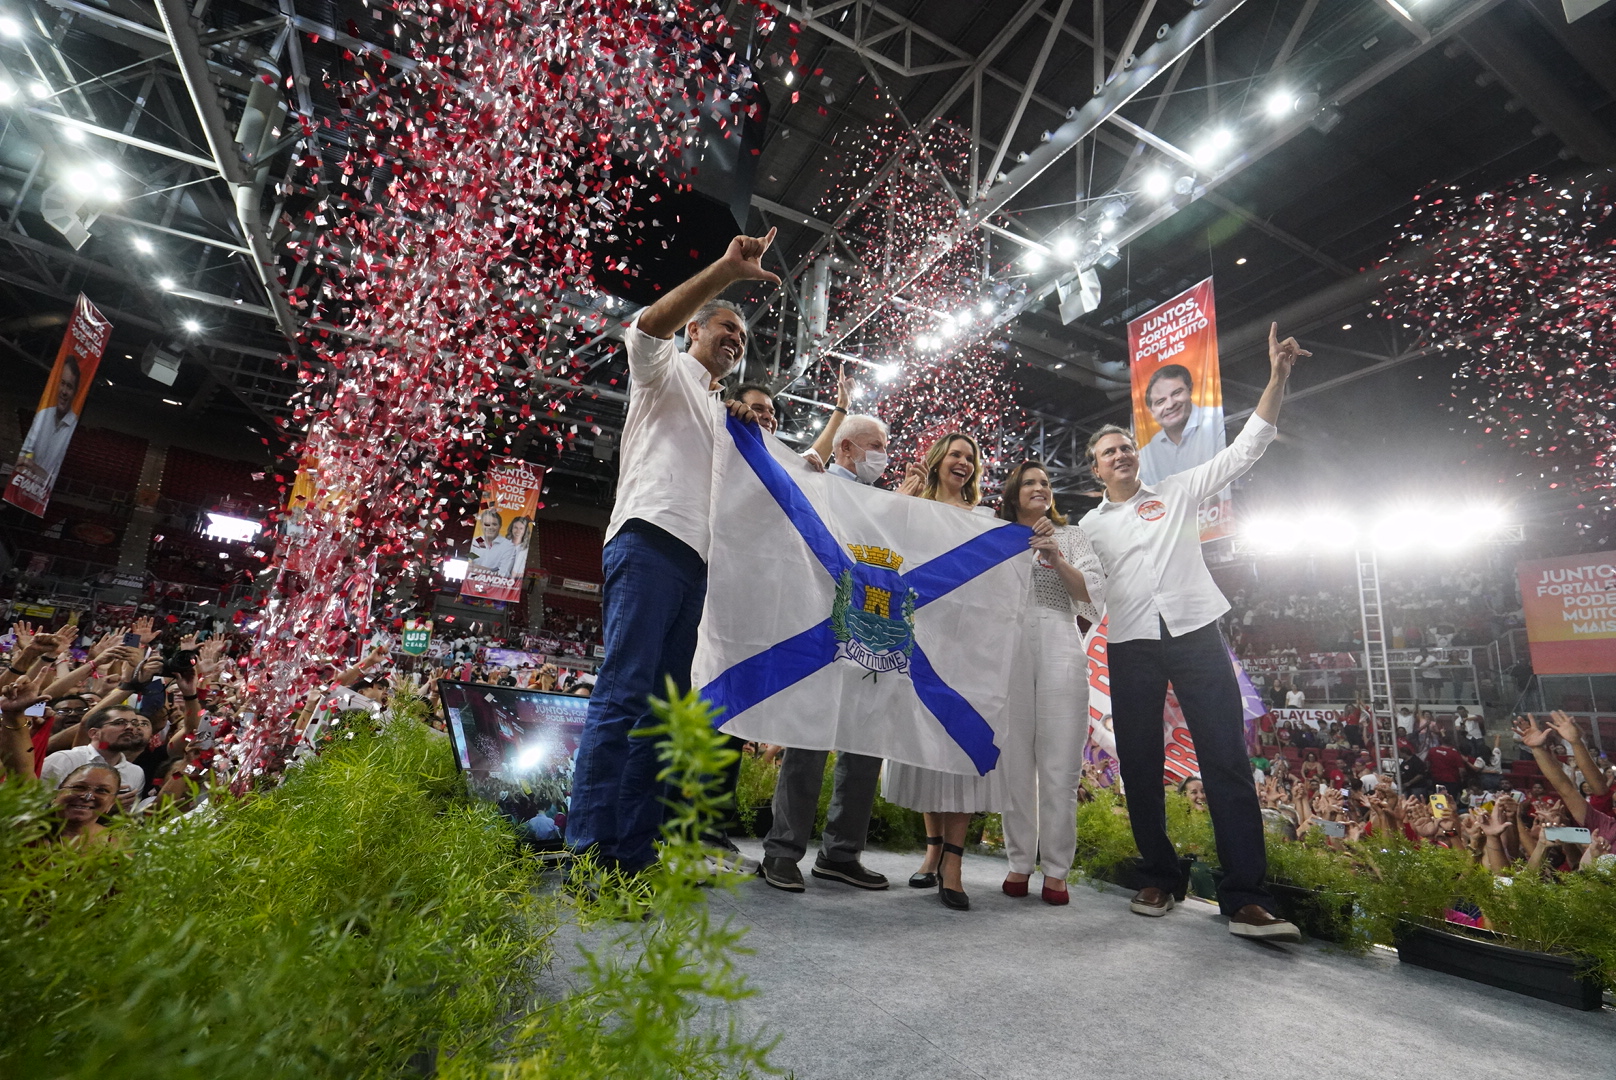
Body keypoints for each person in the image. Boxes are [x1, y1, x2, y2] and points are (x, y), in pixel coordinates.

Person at [1080, 322, 1308, 942]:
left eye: (1127, 446)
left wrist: (1276, 379)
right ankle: (1158, 875)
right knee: (1140, 761)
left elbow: (1247, 448)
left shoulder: (1176, 490)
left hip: (1196, 635)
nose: (1121, 455)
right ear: (1095, 470)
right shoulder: (1089, 527)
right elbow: (1085, 592)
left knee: (1226, 761)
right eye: (1108, 453)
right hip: (1129, 644)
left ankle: (1245, 897)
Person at [565, 227, 779, 874]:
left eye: (741, 337)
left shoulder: (723, 414)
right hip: (647, 540)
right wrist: (725, 270)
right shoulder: (661, 372)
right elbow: (648, 324)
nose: (734, 339)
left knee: (661, 715)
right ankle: (588, 855)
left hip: (696, 565)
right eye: (724, 327)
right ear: (695, 331)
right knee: (624, 696)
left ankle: (633, 856)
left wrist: (752, 430)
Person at [885, 431, 1045, 911]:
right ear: (937, 460)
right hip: (919, 644)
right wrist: (903, 500)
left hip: (969, 648)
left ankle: (952, 864)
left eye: (971, 457)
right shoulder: (912, 505)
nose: (964, 463)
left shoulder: (984, 521)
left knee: (961, 750)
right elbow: (880, 543)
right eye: (956, 454)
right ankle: (932, 851)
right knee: (927, 749)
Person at [758, 413, 893, 894]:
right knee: (808, 742)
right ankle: (782, 852)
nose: (884, 454)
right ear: (846, 450)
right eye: (874, 445)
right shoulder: (816, 485)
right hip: (817, 627)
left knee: (863, 744)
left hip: (870, 631)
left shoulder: (885, 504)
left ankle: (841, 854)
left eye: (886, 445)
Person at [995, 460, 1103, 907]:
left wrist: (1055, 556)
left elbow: (1091, 594)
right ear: (1013, 492)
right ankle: (1019, 862)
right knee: (1015, 764)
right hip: (1007, 646)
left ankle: (1056, 870)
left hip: (1061, 638)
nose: (1040, 487)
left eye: (1045, 482)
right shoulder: (995, 533)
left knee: (1060, 767)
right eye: (1030, 482)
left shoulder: (1073, 536)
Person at [1134, 363, 1224, 485]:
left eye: (1176, 393)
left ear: (1190, 389)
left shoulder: (1220, 422)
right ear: (1151, 411)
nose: (1170, 405)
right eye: (1160, 401)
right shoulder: (1146, 455)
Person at [18, 354, 81, 483]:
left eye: (69, 386)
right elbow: (23, 458)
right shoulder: (42, 414)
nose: (64, 391)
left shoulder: (74, 426)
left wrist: (41, 475)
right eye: (62, 384)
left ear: (75, 392)